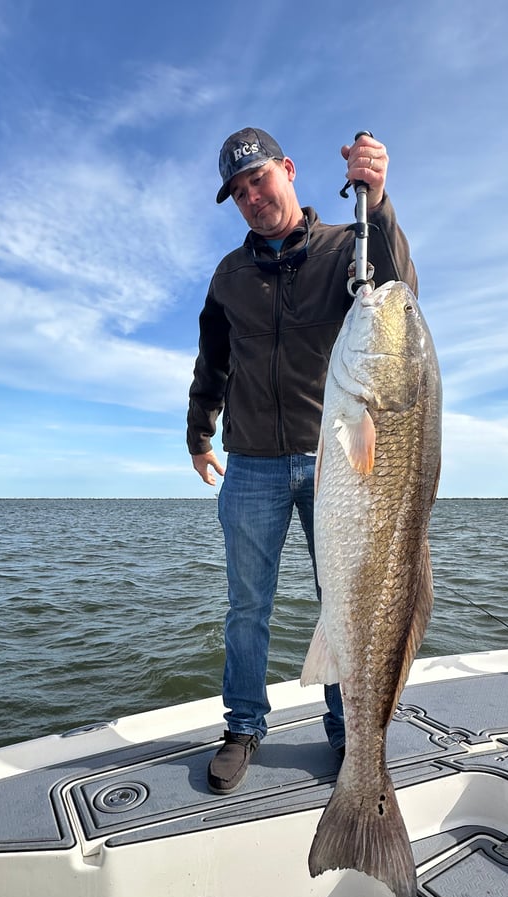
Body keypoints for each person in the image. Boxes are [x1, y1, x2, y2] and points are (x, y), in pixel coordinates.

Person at [187, 127, 418, 794]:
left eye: (259, 178)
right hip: (251, 463)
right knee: (245, 610)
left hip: (337, 462)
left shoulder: (348, 247)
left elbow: (400, 293)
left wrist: (377, 199)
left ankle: (350, 736)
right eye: (237, 190)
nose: (251, 195)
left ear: (287, 170)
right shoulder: (228, 276)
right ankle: (243, 728)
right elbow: (213, 363)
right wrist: (200, 436)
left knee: (346, 603)